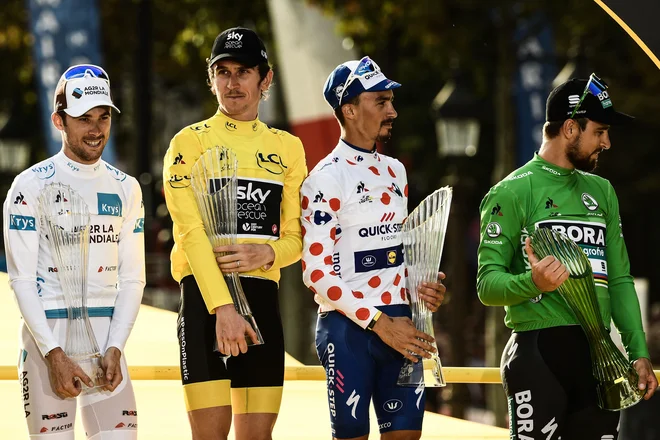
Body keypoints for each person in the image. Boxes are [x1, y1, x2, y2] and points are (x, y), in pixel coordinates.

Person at [477, 74, 658, 439]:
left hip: (599, 357)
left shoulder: (602, 191)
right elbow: (486, 284)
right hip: (538, 353)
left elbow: (620, 278)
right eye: (600, 131)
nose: (606, 143)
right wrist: (533, 282)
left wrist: (638, 350)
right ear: (571, 128)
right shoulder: (512, 191)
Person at [162, 27, 307, 440]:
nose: (232, 82)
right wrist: (223, 308)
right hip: (204, 301)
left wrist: (268, 255)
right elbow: (189, 233)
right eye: (221, 72)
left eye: (243, 71)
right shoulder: (188, 142)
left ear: (266, 79)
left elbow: (296, 241)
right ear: (211, 79)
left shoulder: (289, 148)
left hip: (262, 296)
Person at [301, 56, 447, 440]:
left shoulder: (396, 170)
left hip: (402, 320)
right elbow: (316, 274)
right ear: (349, 109)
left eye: (391, 101)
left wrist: (423, 283)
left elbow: (397, 252)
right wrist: (379, 324)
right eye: (381, 101)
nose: (392, 111)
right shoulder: (325, 178)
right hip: (350, 330)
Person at [3, 64, 145, 439]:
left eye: (103, 117)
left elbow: (133, 279)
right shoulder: (29, 185)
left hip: (106, 343)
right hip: (47, 338)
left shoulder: (127, 188)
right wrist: (53, 353)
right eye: (83, 119)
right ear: (59, 120)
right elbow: (20, 280)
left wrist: (116, 345)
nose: (96, 129)